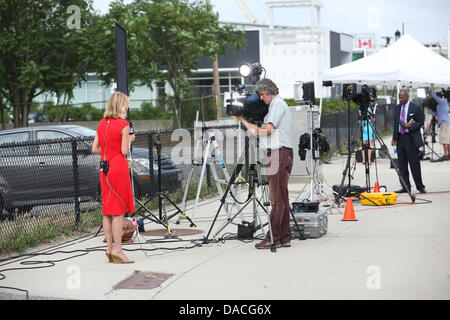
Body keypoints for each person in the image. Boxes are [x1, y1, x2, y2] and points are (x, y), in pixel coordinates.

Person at [235, 78, 294, 249]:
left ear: (269, 92)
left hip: (278, 153)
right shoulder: (279, 105)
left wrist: (243, 121)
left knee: (276, 198)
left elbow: (266, 131)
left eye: (262, 95)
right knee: (282, 196)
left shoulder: (277, 105)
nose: (261, 99)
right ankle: (284, 236)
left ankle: (273, 238)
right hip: (283, 153)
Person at [92, 92, 136, 263]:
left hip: (104, 167)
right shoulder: (124, 124)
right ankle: (119, 250)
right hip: (118, 166)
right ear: (120, 106)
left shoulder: (102, 124)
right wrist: (131, 139)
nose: (127, 107)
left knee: (108, 210)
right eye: (126, 104)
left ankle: (109, 248)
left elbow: (95, 149)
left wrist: (108, 152)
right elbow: (125, 151)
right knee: (118, 211)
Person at [391, 89, 426, 194]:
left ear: (407, 97)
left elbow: (420, 122)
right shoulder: (397, 108)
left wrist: (409, 126)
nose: (400, 99)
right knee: (402, 165)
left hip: (411, 139)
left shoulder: (415, 107)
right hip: (400, 138)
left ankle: (420, 187)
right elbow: (395, 124)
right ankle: (405, 187)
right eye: (399, 97)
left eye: (402, 97)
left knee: (414, 165)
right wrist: (394, 138)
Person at [429, 84, 450, 161]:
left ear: (439, 97)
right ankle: (448, 154)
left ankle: (445, 155)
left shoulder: (442, 102)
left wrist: (432, 87)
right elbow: (437, 114)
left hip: (445, 122)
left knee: (444, 138)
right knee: (446, 138)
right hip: (443, 122)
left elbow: (434, 95)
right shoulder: (440, 105)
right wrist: (429, 110)